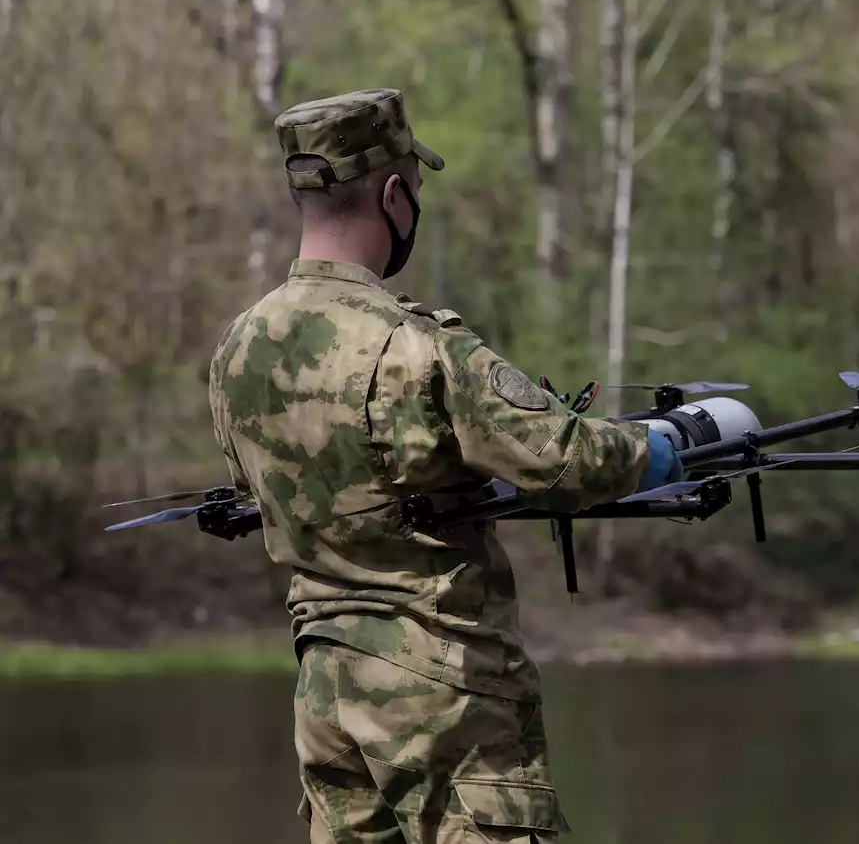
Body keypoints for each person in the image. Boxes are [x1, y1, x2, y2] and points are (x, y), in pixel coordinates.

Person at [207, 88, 683, 844]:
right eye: (415, 193)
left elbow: (258, 489)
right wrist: (668, 443)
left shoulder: (239, 349)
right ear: (394, 196)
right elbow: (571, 461)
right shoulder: (416, 347)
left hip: (326, 695)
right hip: (446, 699)